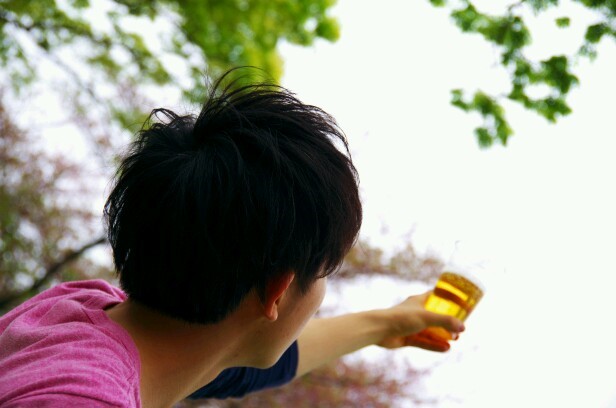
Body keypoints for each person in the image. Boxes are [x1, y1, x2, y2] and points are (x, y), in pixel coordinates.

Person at [0, 71, 465, 408]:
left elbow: (232, 361)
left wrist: (385, 323)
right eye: (324, 272)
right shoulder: (82, 397)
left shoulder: (76, 314)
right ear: (279, 290)